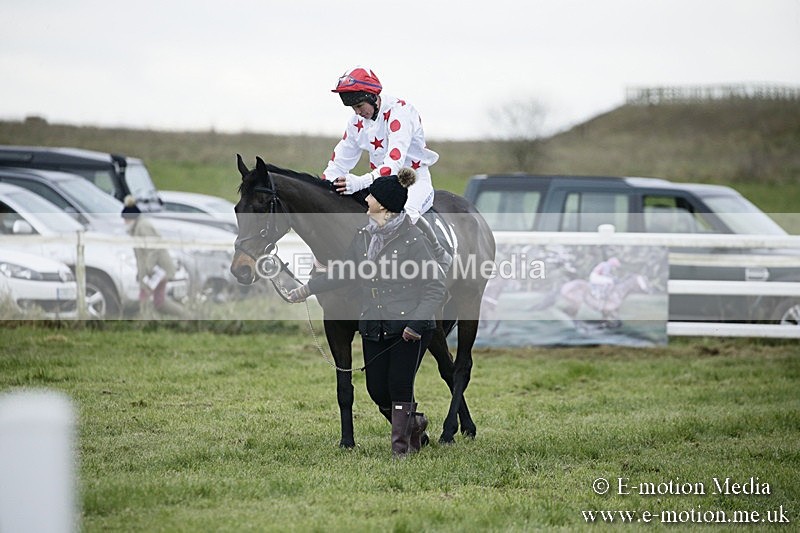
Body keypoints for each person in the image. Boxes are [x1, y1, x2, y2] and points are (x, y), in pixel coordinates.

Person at [287, 168, 446, 457]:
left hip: (406, 327)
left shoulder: (413, 240)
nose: (366, 199)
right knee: (376, 390)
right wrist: (308, 288)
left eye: (371, 196)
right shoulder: (363, 238)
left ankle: (403, 451)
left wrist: (417, 324)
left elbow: (436, 286)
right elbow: (344, 272)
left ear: (383, 204)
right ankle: (416, 422)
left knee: (399, 386)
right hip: (375, 323)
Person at [322, 66, 439, 224]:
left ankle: (438, 249)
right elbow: (338, 164)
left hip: (414, 183)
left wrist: (360, 182)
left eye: (359, 106)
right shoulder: (356, 123)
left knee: (405, 217)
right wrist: (322, 187)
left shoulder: (401, 113)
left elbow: (394, 165)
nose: (357, 112)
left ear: (371, 97)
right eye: (353, 108)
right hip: (380, 187)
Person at [121, 196, 187, 318]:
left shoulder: (143, 227)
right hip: (158, 269)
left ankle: (144, 320)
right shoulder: (137, 227)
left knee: (144, 294)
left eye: (125, 219)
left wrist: (148, 269)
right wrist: (140, 272)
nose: (124, 222)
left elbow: (153, 248)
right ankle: (185, 316)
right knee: (159, 301)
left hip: (158, 269)